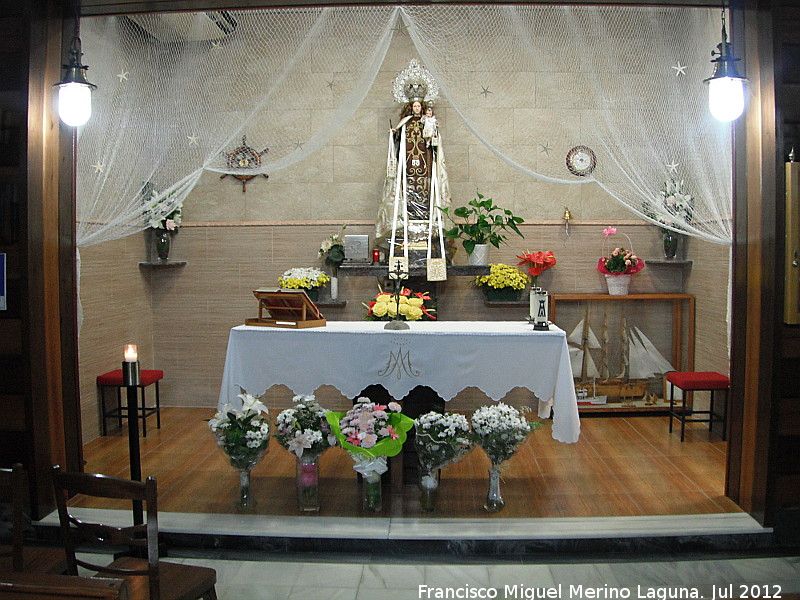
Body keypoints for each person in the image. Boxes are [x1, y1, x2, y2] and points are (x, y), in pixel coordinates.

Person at [376, 61, 451, 270]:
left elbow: (436, 144)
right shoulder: (406, 123)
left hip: (425, 170)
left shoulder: (429, 122)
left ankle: (428, 226)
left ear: (424, 107)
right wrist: (395, 136)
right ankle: (406, 225)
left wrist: (434, 136)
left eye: (420, 105)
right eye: (415, 106)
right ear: (411, 106)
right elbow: (398, 141)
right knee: (407, 195)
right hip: (407, 170)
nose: (417, 108)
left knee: (426, 195)